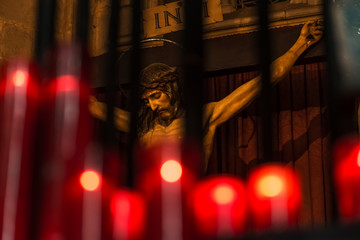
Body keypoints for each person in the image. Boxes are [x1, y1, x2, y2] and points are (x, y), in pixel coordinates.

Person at [89, 20, 323, 171]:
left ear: (171, 88)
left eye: (156, 96)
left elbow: (264, 81)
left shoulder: (205, 117)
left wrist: (301, 43)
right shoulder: (140, 126)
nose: (151, 106)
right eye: (146, 100)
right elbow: (92, 106)